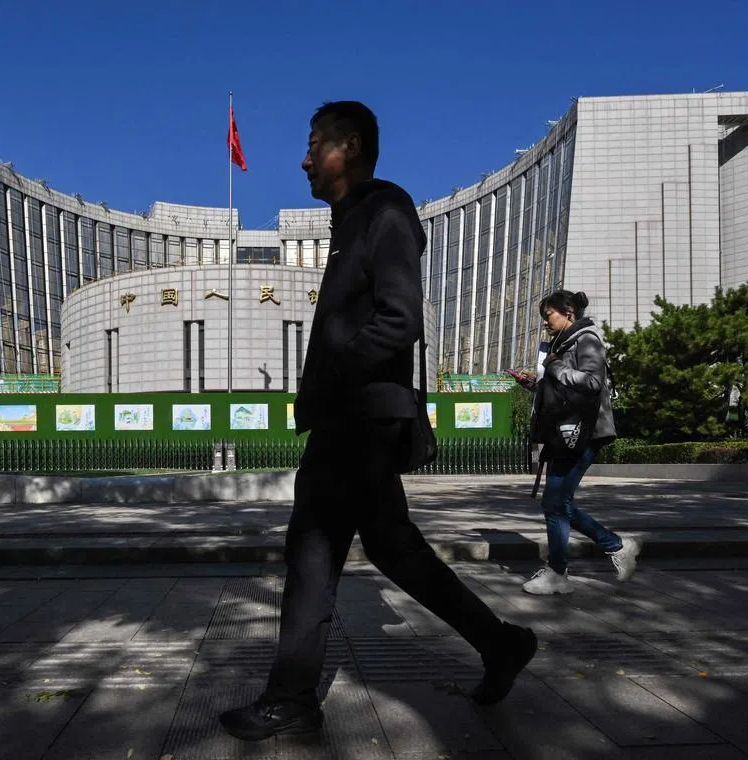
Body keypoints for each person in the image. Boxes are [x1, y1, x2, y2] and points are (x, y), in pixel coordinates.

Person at [219, 101, 537, 742]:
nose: (304, 158)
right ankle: (500, 643)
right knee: (392, 547)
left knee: (311, 551)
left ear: (351, 146)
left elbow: (401, 319)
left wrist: (335, 376)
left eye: (315, 144)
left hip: (358, 416)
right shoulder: (351, 220)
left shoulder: (383, 212)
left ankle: (291, 696)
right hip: (355, 413)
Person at [512, 290, 640, 595]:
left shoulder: (586, 339)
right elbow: (563, 393)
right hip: (568, 432)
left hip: (584, 432)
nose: (545, 321)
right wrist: (534, 384)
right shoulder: (565, 342)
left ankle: (561, 571)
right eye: (544, 315)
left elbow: (592, 383)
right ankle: (617, 547)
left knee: (555, 503)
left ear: (569, 312)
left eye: (549, 314)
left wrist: (554, 368)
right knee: (558, 503)